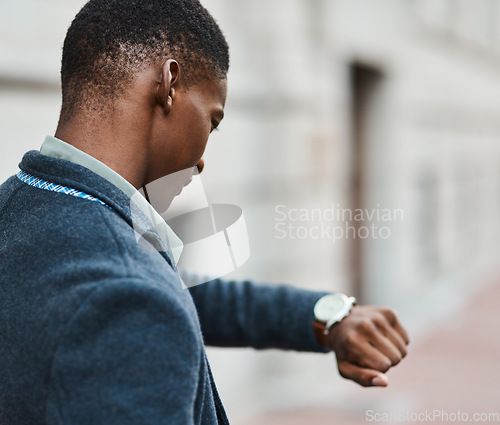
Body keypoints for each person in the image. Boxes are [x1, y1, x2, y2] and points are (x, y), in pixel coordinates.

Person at [0, 0, 409, 424]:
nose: (200, 162)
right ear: (169, 83)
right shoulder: (130, 296)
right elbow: (147, 296)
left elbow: (178, 289)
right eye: (212, 121)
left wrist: (326, 317)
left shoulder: (25, 206)